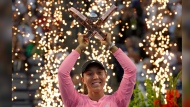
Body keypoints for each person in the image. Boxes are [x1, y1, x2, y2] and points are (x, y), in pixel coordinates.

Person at [58, 32, 137, 107]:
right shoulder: (75, 101)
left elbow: (131, 70)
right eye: (89, 74)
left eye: (99, 72)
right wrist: (80, 47)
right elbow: (62, 73)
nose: (95, 77)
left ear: (106, 76)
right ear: (83, 80)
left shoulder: (117, 101)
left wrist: (111, 45)